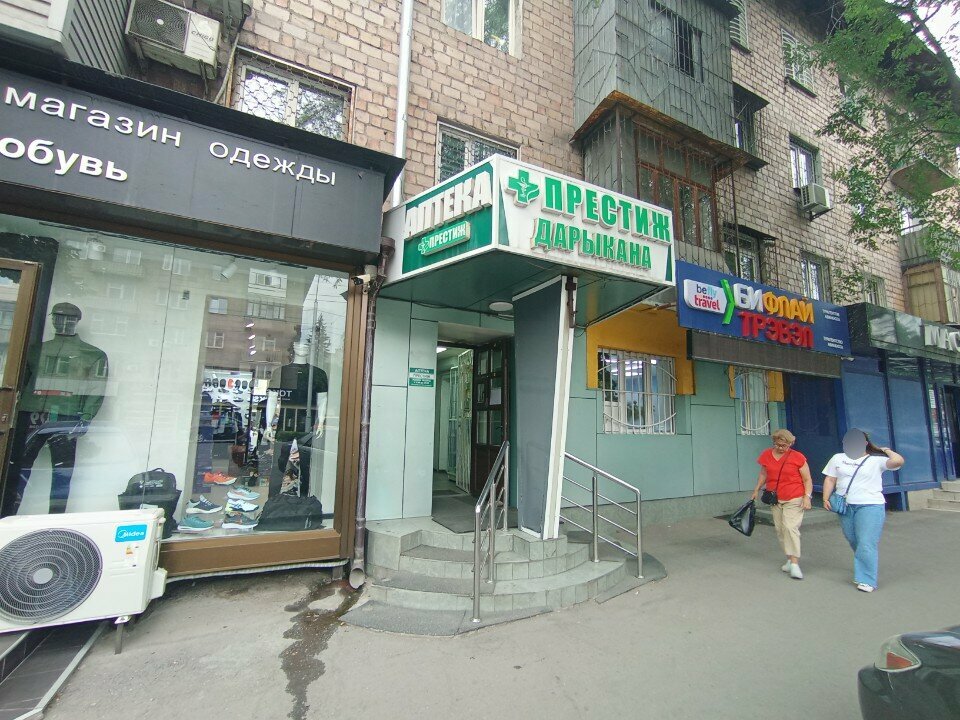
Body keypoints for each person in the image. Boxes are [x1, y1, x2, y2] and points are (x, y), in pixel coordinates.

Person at [822, 428, 904, 593]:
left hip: (870, 505)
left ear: (865, 443)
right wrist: (825, 498)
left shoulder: (876, 460)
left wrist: (885, 450)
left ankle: (867, 580)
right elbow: (830, 479)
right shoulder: (838, 458)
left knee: (866, 542)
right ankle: (865, 563)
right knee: (853, 539)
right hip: (845, 505)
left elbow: (898, 461)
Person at [751, 429, 814, 580]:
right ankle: (789, 559)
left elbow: (807, 479)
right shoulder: (767, 454)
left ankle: (794, 564)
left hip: (794, 497)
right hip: (775, 498)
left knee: (790, 528)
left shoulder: (798, 457)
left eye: (784, 445)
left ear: (790, 444)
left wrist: (807, 497)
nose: (780, 448)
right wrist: (756, 489)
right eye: (777, 444)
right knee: (780, 530)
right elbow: (764, 473)